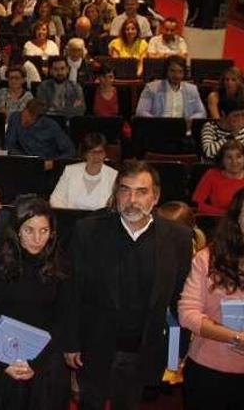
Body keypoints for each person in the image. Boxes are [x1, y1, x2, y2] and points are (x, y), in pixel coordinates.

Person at [61, 160, 192, 410]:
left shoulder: (178, 238)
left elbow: (180, 298)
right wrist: (71, 342)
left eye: (141, 191)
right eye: (125, 190)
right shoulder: (88, 231)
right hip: (94, 345)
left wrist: (179, 348)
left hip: (145, 347)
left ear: (156, 196)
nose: (132, 199)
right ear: (116, 193)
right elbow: (72, 291)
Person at [0, 197, 70, 410]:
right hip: (0, 357)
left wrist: (35, 362)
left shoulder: (61, 266)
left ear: (52, 233)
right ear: (16, 231)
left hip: (45, 359)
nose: (37, 238)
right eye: (29, 230)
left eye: (44, 231)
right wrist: (5, 361)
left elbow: (62, 319)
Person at [178, 188, 244, 409]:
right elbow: (188, 314)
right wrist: (236, 338)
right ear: (236, 218)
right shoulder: (207, 258)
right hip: (210, 370)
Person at [50, 133, 119, 210]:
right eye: (92, 152)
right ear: (85, 154)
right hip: (71, 219)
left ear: (105, 154)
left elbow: (115, 205)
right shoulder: (70, 171)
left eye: (100, 152)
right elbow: (55, 199)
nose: (96, 156)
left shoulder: (113, 175)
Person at [135, 55, 206, 120]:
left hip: (183, 129)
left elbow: (201, 113)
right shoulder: (152, 88)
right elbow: (141, 112)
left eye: (180, 72)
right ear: (166, 71)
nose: (176, 75)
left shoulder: (192, 89)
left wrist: (189, 120)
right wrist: (156, 123)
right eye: (173, 71)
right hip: (159, 129)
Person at [5, 99, 76, 160]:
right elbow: (9, 143)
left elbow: (70, 151)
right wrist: (20, 156)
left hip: (45, 162)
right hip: (24, 160)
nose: (24, 121)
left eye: (30, 118)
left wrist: (53, 162)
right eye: (24, 115)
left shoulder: (51, 126)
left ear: (39, 119)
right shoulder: (15, 118)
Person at [192, 140, 244, 216]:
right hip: (217, 221)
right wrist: (225, 214)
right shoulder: (212, 174)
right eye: (229, 157)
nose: (234, 161)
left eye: (238, 156)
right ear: (222, 160)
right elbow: (196, 203)